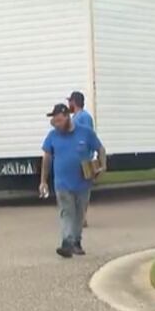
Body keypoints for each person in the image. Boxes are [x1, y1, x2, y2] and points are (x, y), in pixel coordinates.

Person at [39, 103, 106, 258]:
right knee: (66, 212)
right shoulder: (52, 136)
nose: (57, 124)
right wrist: (43, 180)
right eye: (55, 121)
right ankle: (67, 243)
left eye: (60, 120)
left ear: (68, 117)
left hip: (83, 182)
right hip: (62, 183)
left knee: (79, 214)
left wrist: (102, 166)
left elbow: (100, 149)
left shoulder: (85, 133)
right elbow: (47, 158)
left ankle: (76, 241)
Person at [67, 91, 96, 227]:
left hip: (82, 159)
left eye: (70, 101)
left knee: (82, 189)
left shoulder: (82, 118)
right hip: (79, 158)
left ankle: (81, 217)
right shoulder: (78, 117)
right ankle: (79, 216)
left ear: (74, 102)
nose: (68, 104)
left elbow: (86, 136)